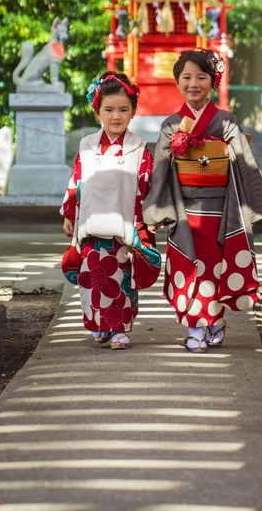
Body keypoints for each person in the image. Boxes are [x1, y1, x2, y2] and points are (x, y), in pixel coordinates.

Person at [143, 48, 262, 353]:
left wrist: (219, 151)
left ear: (212, 82)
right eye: (186, 77)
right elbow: (160, 170)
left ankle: (211, 321)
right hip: (184, 212)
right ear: (177, 82)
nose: (193, 83)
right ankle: (197, 326)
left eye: (201, 76)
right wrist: (153, 212)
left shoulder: (226, 121)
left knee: (215, 270)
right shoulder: (170, 125)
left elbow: (243, 161)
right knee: (189, 268)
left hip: (220, 210)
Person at [60, 71, 161, 350]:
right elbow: (77, 182)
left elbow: (146, 185)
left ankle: (119, 328)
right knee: (93, 276)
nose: (116, 116)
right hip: (91, 224)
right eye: (109, 110)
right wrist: (70, 214)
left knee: (120, 276)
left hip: (124, 226)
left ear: (132, 113)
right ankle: (99, 324)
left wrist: (148, 218)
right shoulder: (87, 145)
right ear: (97, 112)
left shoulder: (139, 148)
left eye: (123, 110)